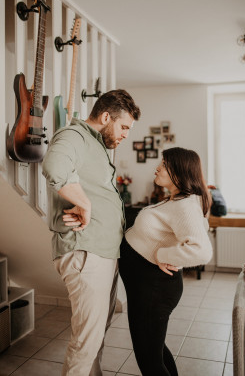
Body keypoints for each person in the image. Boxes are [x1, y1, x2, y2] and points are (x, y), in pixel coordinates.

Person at [42, 89, 141, 376]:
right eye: (123, 127)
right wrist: (83, 203)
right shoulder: (74, 136)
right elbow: (54, 166)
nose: (125, 135)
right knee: (86, 340)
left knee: (96, 337)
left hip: (101, 252)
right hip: (86, 252)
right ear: (106, 116)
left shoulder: (96, 145)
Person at [119, 147, 213, 376]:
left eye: (164, 164)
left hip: (154, 289)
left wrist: (162, 255)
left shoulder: (185, 205)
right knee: (154, 351)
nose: (157, 167)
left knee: (148, 358)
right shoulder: (178, 200)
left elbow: (201, 251)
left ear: (179, 172)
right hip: (147, 287)